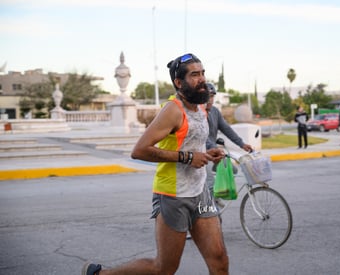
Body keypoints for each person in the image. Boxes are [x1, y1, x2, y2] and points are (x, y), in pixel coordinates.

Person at [82, 53, 229, 275]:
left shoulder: (199, 108)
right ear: (179, 83)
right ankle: (101, 274)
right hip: (173, 194)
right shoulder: (172, 110)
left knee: (219, 260)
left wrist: (207, 153)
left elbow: (188, 143)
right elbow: (139, 150)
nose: (202, 79)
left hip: (200, 193)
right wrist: (189, 158)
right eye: (195, 75)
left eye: (203, 73)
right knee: (164, 268)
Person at [205, 82, 253, 199]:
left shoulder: (215, 112)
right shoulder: (197, 113)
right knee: (210, 183)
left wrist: (242, 144)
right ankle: (209, 210)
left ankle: (214, 199)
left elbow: (226, 129)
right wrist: (214, 147)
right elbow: (202, 137)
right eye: (207, 96)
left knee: (233, 170)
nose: (210, 100)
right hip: (202, 154)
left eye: (212, 96)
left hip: (214, 152)